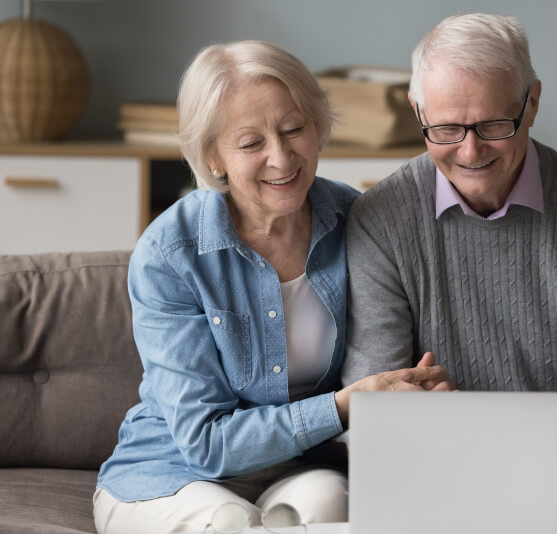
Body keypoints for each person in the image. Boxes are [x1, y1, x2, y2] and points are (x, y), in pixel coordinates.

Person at [342, 14, 557, 534]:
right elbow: (373, 402)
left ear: (531, 102)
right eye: (445, 129)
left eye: (492, 125)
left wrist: (528, 463)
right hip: (441, 472)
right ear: (418, 110)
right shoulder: (379, 220)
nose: (470, 152)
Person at [93, 40, 452, 534]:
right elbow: (206, 445)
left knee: (333, 506)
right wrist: (346, 405)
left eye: (294, 129)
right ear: (213, 157)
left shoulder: (358, 221)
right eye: (250, 143)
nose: (281, 158)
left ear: (317, 126)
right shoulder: (169, 253)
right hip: (173, 473)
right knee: (230, 522)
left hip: (296, 469)